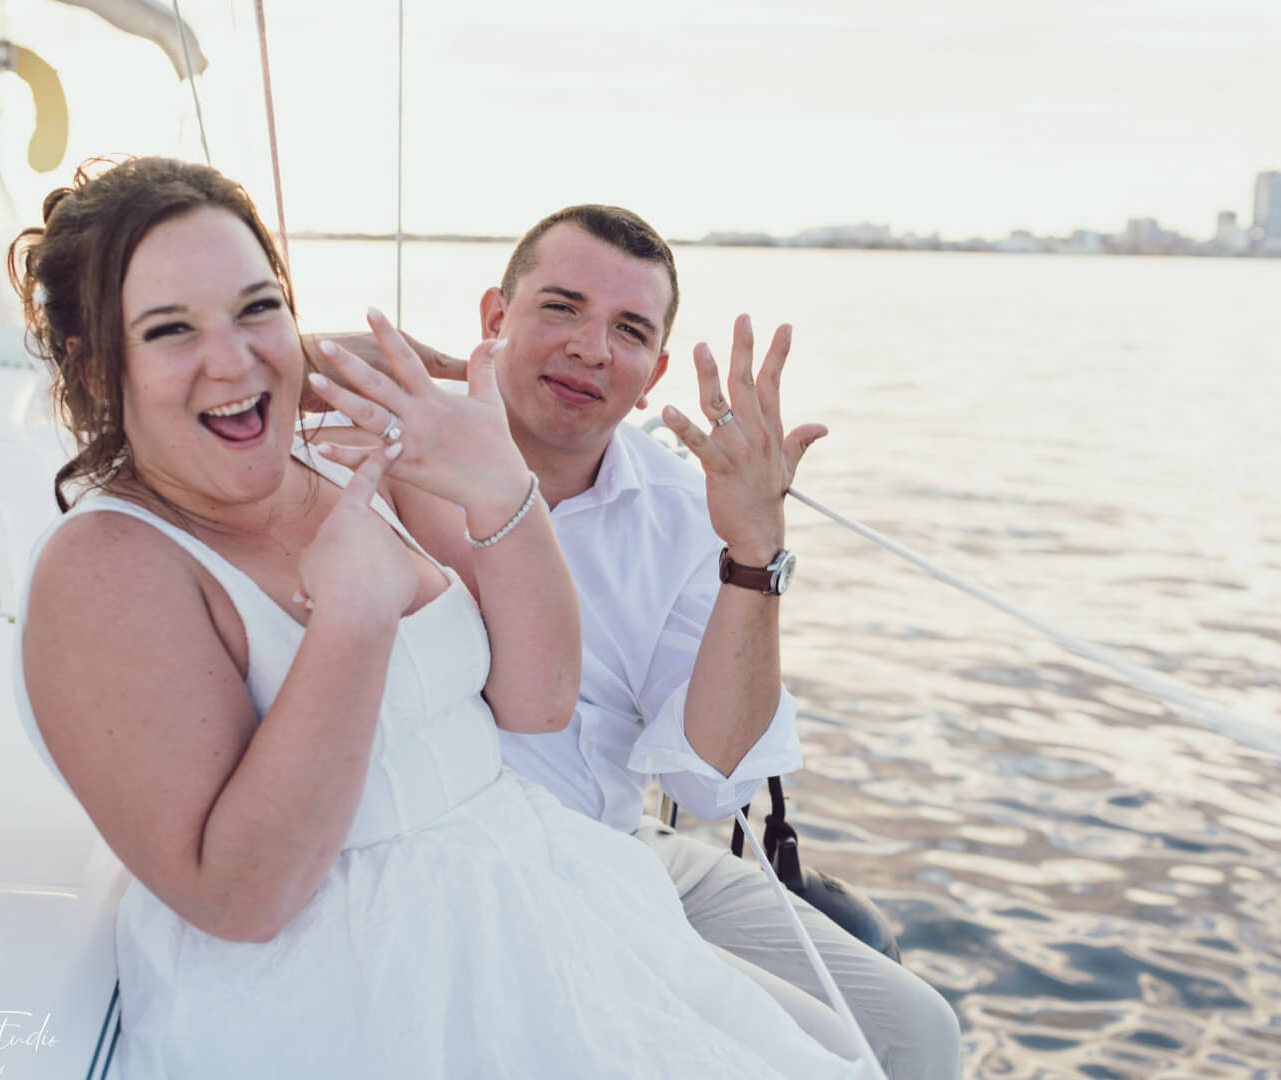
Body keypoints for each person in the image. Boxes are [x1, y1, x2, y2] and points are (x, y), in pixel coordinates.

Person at [9, 156, 866, 1079]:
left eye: (259, 309)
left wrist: (504, 489)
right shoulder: (108, 567)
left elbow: (538, 700)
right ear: (96, 366)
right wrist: (352, 624)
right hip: (356, 987)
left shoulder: (345, 460)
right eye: (170, 328)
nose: (232, 357)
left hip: (535, 900)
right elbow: (241, 899)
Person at [314, 205, 962, 1079]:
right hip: (472, 864)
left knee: (917, 1032)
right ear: (494, 318)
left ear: (654, 374)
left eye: (629, 330)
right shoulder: (393, 450)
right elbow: (237, 379)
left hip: (625, 846)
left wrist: (753, 550)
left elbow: (707, 781)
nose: (592, 349)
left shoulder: (684, 511)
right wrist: (389, 368)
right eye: (561, 308)